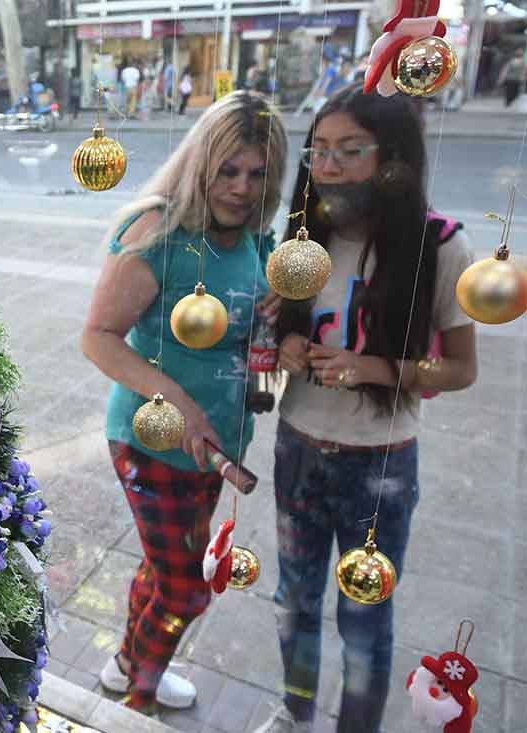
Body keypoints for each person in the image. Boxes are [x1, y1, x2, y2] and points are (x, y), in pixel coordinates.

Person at [255, 84, 477, 733]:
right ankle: (295, 713)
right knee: (294, 600)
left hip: (379, 466)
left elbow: (462, 369)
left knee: (364, 614)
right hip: (298, 447)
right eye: (319, 150)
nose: (327, 166)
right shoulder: (301, 237)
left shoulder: (439, 245)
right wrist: (288, 345)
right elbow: (270, 336)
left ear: (392, 159)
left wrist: (376, 368)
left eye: (349, 151)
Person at [81, 91, 287, 714]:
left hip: (217, 444)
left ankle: (127, 662)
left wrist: (272, 317)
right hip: (152, 438)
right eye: (229, 170)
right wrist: (177, 401)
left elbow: (241, 327)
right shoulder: (156, 231)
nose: (243, 187)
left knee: (161, 568)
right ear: (202, 163)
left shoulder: (256, 236)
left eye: (257, 173)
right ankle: (135, 708)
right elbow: (98, 337)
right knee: (184, 588)